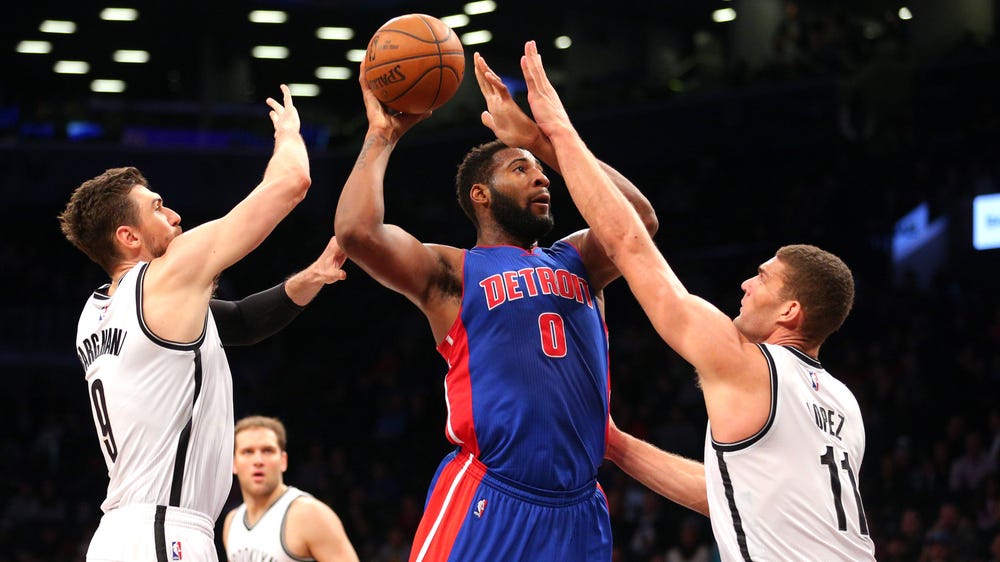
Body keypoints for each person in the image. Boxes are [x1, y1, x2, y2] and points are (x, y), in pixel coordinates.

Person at [514, 40, 876, 560]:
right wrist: (616, 445)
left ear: (789, 311)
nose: (746, 286)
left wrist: (556, 135)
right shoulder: (843, 405)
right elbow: (733, 497)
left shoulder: (749, 363)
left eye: (763, 279)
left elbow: (629, 242)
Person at [333, 48, 658, 560]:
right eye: (520, 169)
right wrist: (382, 136)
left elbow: (638, 219)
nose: (542, 177)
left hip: (581, 506)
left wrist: (535, 140)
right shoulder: (453, 271)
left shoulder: (578, 260)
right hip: (492, 496)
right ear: (481, 195)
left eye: (540, 171)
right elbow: (356, 231)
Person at [59, 85, 348, 562]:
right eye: (156, 207)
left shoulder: (95, 313)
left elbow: (238, 323)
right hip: (164, 530)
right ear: (128, 236)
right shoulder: (164, 278)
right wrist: (291, 135)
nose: (174, 215)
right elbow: (291, 182)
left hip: (120, 534)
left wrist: (312, 277)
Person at [223, 416, 359, 562]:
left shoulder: (310, 514)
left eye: (267, 451)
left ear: (283, 461)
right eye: (248, 452)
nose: (258, 461)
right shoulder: (232, 522)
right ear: (234, 464)